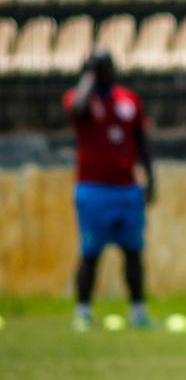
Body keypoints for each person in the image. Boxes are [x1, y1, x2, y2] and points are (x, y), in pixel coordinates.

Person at [63, 49, 154, 331]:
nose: (106, 71)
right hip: (92, 190)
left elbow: (142, 142)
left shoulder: (129, 100)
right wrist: (89, 76)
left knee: (133, 252)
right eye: (99, 67)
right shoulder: (79, 99)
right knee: (90, 252)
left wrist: (151, 179)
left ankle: (138, 311)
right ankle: (83, 311)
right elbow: (77, 109)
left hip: (126, 189)